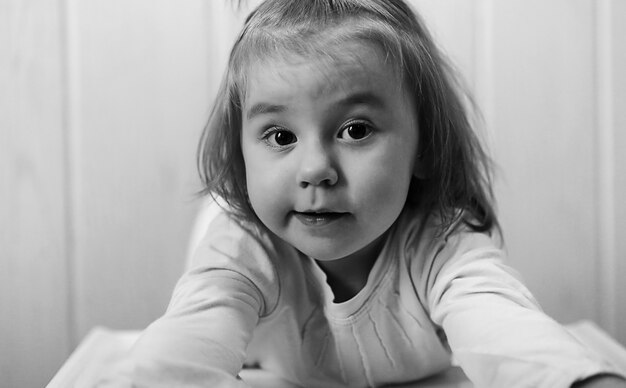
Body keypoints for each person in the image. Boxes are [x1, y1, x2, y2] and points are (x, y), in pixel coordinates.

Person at [99, 1, 626, 387]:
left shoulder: (441, 245)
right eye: (281, 136)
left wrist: (581, 381)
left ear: (423, 147)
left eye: (355, 130)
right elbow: (185, 345)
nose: (316, 170)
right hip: (250, 277)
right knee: (219, 236)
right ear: (240, 155)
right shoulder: (243, 249)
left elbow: (506, 330)